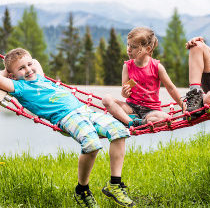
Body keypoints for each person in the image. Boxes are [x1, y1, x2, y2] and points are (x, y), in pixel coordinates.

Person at [0, 48, 135, 208]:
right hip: (66, 117)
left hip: (85, 110)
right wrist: (6, 71)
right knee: (92, 144)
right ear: (12, 76)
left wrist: (22, 63)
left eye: (29, 65)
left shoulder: (40, 76)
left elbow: (35, 62)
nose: (29, 69)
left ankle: (114, 184)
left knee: (119, 131)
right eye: (21, 68)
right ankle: (82, 190)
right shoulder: (19, 87)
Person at [102, 27, 184, 128]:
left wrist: (183, 106)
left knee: (166, 119)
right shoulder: (127, 66)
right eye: (128, 44)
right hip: (131, 108)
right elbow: (125, 94)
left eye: (134, 47)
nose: (129, 49)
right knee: (106, 99)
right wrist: (124, 92)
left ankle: (131, 120)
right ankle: (132, 122)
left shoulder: (157, 67)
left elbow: (171, 88)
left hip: (151, 110)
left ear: (148, 49)